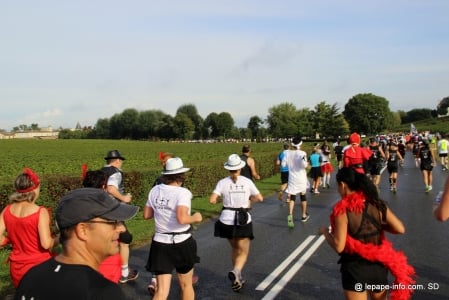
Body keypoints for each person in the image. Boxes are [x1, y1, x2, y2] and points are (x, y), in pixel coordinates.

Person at [14, 188, 139, 300]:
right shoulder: (102, 291)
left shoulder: (32, 277)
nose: (121, 228)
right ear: (83, 230)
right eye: (112, 222)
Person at [318, 167, 415, 300]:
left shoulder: (343, 211)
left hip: (354, 269)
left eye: (338, 186)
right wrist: (379, 226)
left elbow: (339, 246)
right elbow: (400, 229)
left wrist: (325, 232)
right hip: (378, 268)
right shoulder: (377, 204)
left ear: (343, 185)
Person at [144, 157, 202, 300]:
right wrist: (196, 217)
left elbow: (147, 215)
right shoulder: (183, 193)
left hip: (160, 242)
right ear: (181, 176)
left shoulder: (155, 190)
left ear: (165, 175)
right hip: (181, 241)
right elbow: (182, 218)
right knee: (186, 285)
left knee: (162, 291)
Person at [209, 154, 263, 292]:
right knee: (243, 251)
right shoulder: (247, 181)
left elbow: (212, 200)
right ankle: (236, 271)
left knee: (234, 249)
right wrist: (250, 198)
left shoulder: (222, 182)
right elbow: (260, 198)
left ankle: (238, 277)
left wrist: (222, 200)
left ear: (228, 169)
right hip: (243, 219)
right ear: (240, 168)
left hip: (226, 219)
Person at [0, 168, 58, 288]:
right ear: (35, 189)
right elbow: (46, 244)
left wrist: (10, 239)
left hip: (17, 268)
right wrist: (60, 238)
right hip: (39, 266)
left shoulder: (6, 210)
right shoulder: (40, 212)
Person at [102, 149, 139, 283]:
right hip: (113, 211)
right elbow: (111, 188)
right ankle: (124, 272)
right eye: (121, 160)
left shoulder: (100, 171)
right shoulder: (116, 173)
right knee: (125, 239)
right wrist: (124, 198)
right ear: (118, 160)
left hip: (99, 210)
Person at [82, 169, 122, 283]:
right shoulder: (109, 205)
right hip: (107, 259)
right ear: (104, 186)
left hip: (84, 259)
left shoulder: (77, 205)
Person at [285, 137, 310, 228]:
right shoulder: (302, 153)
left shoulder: (288, 153)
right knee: (303, 196)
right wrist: (308, 165)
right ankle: (303, 215)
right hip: (301, 177)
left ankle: (290, 215)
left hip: (292, 177)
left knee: (292, 196)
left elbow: (284, 164)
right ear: (300, 144)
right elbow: (304, 165)